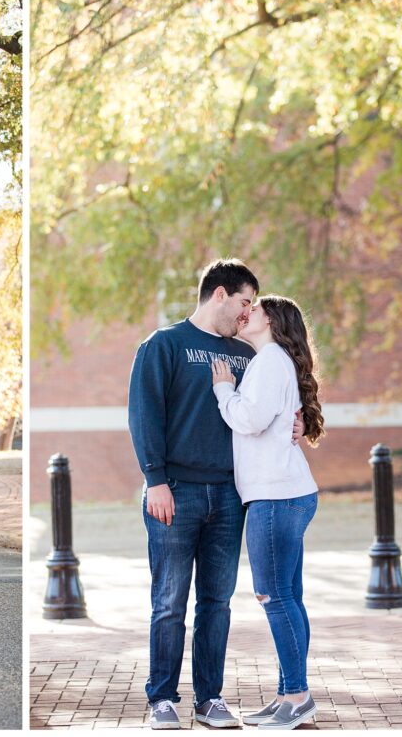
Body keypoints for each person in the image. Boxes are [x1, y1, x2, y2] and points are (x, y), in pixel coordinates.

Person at [128, 259, 303, 730]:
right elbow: (144, 415)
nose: (248, 314)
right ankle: (162, 699)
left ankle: (210, 699)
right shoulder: (164, 344)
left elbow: (266, 406)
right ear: (220, 294)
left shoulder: (247, 355)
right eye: (245, 302)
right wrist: (155, 479)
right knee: (169, 602)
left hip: (229, 494)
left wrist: (296, 419)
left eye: (253, 307)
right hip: (176, 491)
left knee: (217, 602)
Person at [211, 295, 324, 731]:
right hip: (285, 493)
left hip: (276, 497)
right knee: (288, 598)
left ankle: (297, 697)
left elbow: (251, 419)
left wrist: (224, 390)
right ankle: (288, 695)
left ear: (272, 321)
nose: (246, 313)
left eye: (254, 309)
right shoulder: (272, 361)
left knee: (273, 597)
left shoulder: (270, 360)